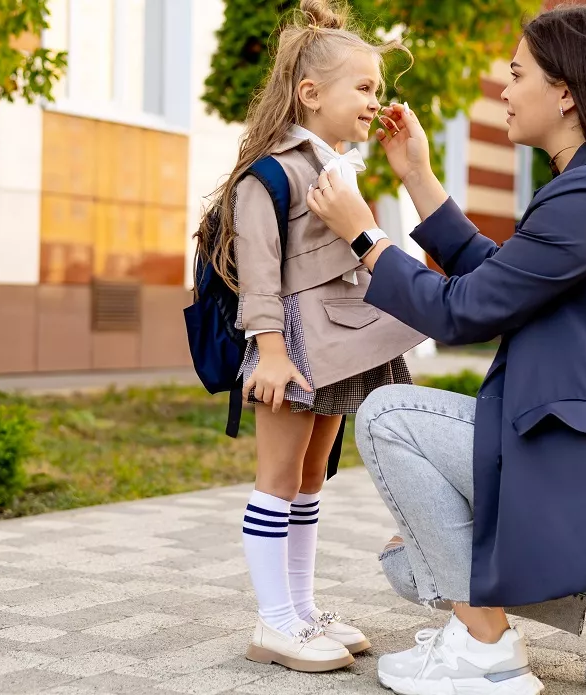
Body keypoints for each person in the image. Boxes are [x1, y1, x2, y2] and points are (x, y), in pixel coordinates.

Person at [304, 3, 586, 694]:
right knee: (412, 560)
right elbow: (502, 275)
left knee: (385, 418)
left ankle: (483, 647)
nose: (504, 88)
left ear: (566, 91)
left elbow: (467, 311)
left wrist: (365, 237)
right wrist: (417, 177)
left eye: (517, 73)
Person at [196, 0, 426, 674]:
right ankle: (273, 622)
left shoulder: (335, 167)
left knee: (308, 482)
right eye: (364, 87)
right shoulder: (273, 172)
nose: (374, 101)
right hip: (293, 345)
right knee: (276, 480)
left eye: (377, 90)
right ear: (309, 93)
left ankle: (300, 610)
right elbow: (262, 274)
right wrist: (268, 350)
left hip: (337, 344)